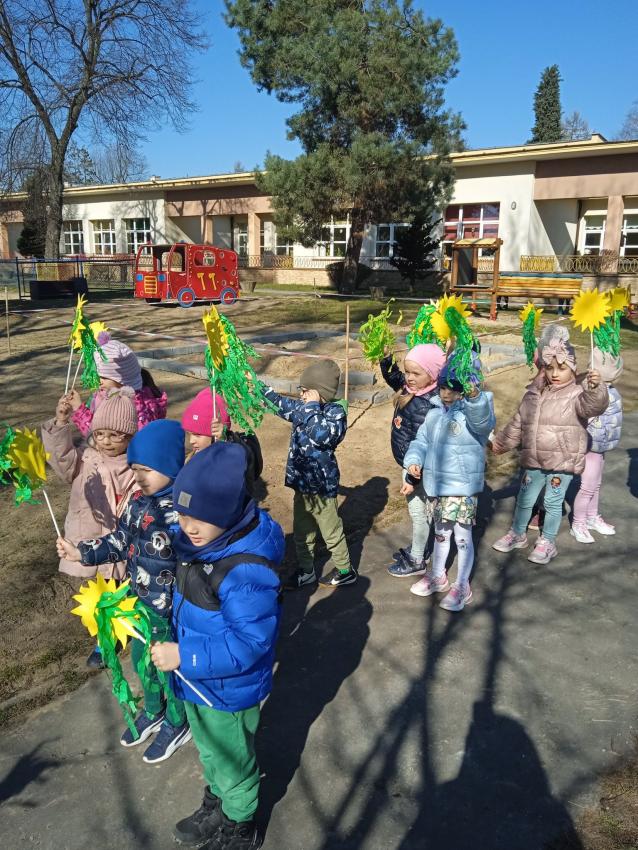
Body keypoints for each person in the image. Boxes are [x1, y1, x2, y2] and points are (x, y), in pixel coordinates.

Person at [151, 442, 284, 850]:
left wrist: (184, 655)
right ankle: (218, 801)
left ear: (227, 513)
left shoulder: (243, 570)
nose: (188, 527)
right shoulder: (202, 543)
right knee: (211, 751)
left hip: (227, 687)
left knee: (233, 761)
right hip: (199, 680)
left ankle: (240, 825)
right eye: (182, 516)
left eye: (200, 519)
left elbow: (250, 642)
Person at [56, 419, 190, 764]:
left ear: (170, 467)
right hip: (139, 603)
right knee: (143, 661)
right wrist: (82, 552)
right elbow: (119, 541)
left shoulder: (183, 513)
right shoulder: (137, 502)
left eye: (147, 469)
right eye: (135, 468)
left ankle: (177, 721)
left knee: (168, 667)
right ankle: (153, 709)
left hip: (171, 611)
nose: (139, 476)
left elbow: (198, 560)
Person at [491, 328, 608, 564]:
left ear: (573, 369)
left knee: (553, 502)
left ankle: (548, 542)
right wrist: (500, 444)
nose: (555, 373)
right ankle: (517, 533)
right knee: (525, 499)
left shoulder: (578, 394)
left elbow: (593, 407)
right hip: (534, 460)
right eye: (549, 368)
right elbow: (518, 424)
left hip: (561, 462)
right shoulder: (532, 394)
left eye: (562, 368)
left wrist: (596, 389)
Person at [42, 388, 138, 668]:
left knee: (116, 591)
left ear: (129, 436)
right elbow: (60, 459)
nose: (106, 441)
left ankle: (107, 641)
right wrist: (61, 422)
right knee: (95, 593)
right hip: (88, 537)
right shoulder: (84, 458)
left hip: (118, 541)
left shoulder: (135, 466)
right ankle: (103, 634)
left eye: (115, 435)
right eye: (100, 434)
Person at [403, 362, 495, 611]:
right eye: (443, 387)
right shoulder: (434, 414)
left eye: (453, 389)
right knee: (441, 533)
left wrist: (474, 397)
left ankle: (462, 585)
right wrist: (414, 461)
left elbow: (484, 422)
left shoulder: (473, 413)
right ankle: (437, 575)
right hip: (438, 487)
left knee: (463, 537)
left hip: (462, 488)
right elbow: (420, 441)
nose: (446, 394)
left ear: (465, 389)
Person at [260, 359, 355, 589]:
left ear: (320, 392)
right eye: (300, 390)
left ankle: (345, 570)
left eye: (305, 391)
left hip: (322, 488)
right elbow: (281, 405)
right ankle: (306, 570)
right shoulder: (304, 407)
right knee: (302, 531)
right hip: (302, 484)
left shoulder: (336, 413)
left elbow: (322, 436)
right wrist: (260, 389)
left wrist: (312, 407)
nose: (300, 395)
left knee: (331, 532)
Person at [380, 343, 446, 578]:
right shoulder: (411, 389)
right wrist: (387, 359)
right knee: (421, 514)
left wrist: (412, 476)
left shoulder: (430, 405)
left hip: (418, 468)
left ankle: (417, 559)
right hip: (409, 462)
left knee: (419, 514)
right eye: (407, 371)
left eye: (416, 373)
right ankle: (420, 548)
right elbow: (394, 377)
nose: (409, 377)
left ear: (433, 374)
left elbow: (426, 445)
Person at [571, 348, 623, 543]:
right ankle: (578, 523)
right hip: (590, 447)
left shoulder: (611, 389)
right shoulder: (591, 390)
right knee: (587, 487)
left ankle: (592, 517)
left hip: (602, 446)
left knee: (596, 485)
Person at [69, 332, 167, 435]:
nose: (99, 381)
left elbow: (100, 436)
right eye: (98, 376)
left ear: (123, 380)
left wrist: (79, 409)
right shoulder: (104, 395)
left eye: (104, 377)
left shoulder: (136, 409)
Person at [181, 387, 263, 494]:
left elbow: (245, 466)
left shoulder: (235, 455)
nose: (191, 440)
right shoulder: (193, 458)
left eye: (198, 435)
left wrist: (226, 439)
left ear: (216, 434)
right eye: (189, 434)